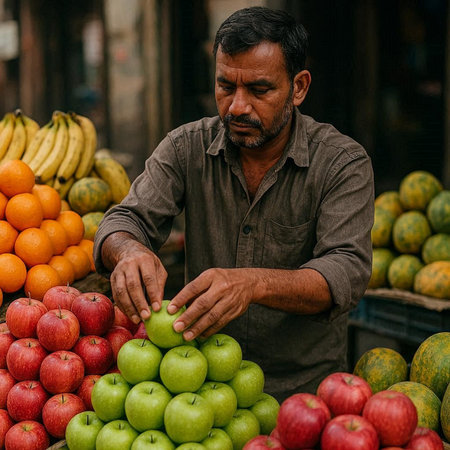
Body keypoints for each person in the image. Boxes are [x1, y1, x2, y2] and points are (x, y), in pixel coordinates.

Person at [94, 6, 374, 402]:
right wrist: (128, 250)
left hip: (303, 394)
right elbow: (123, 219)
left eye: (259, 90)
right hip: (198, 389)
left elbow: (345, 271)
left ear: (299, 87)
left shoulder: (342, 163)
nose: (237, 107)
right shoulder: (185, 147)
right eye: (226, 86)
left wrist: (254, 283)